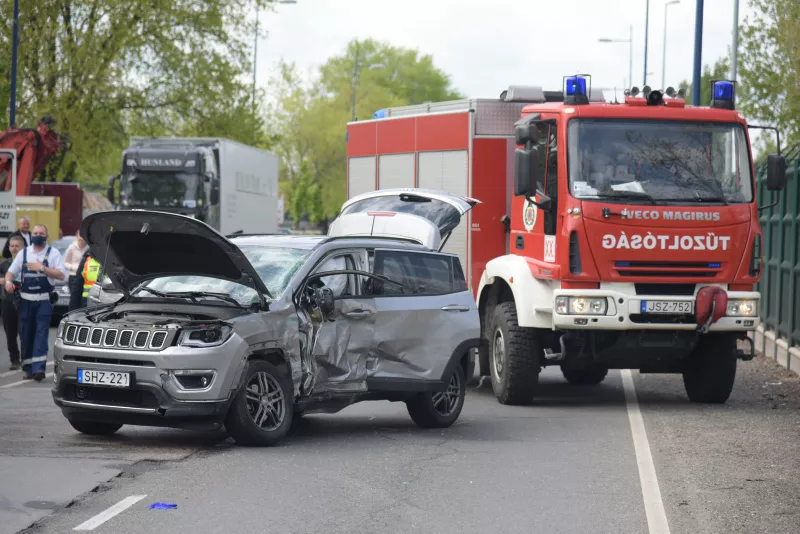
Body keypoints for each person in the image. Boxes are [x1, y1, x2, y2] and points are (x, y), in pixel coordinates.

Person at [4, 224, 67, 381]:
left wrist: (42, 268)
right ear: (32, 235)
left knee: (41, 334)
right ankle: (28, 368)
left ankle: (39, 369)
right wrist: (8, 283)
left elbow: (62, 276)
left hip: (44, 302)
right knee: (26, 334)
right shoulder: (24, 254)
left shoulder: (53, 253)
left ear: (47, 236)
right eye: (36, 233)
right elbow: (10, 273)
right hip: (25, 301)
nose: (37, 235)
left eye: (41, 233)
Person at [0, 235, 24, 370]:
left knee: (23, 331)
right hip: (8, 301)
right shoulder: (5, 263)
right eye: (12, 246)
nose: (14, 248)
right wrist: (7, 281)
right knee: (10, 332)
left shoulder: (26, 263)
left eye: (17, 246)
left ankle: (25, 359)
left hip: (24, 300)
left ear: (23, 248)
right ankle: (14, 359)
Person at [63, 230, 89, 311]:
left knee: (83, 298)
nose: (81, 239)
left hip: (85, 276)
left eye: (83, 237)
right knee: (74, 297)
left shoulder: (88, 248)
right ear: (77, 237)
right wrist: (72, 267)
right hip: (73, 275)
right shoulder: (72, 247)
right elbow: (65, 262)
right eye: (80, 236)